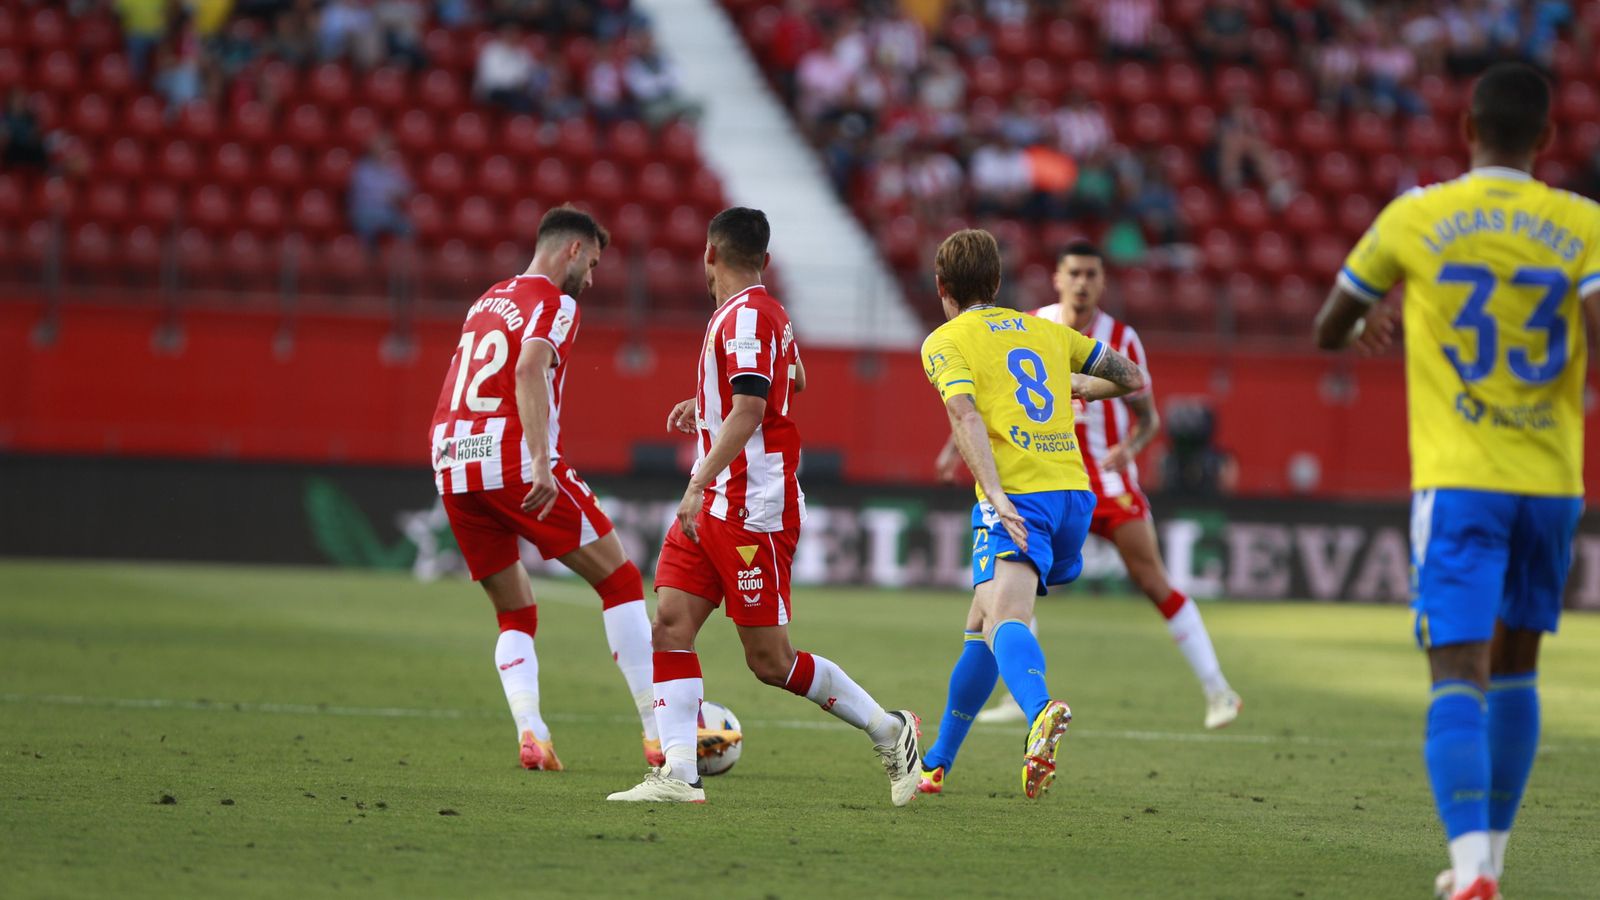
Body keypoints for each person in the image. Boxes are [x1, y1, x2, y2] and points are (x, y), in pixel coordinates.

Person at [1313, 63, 1600, 900]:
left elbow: (1329, 327)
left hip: (1460, 479)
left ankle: (1472, 870)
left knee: (1457, 676)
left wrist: (1370, 326)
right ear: (1547, 140)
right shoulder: (1582, 222)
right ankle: (1491, 861)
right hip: (1551, 481)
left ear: (1466, 130)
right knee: (1517, 670)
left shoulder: (1417, 215)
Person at [607, 208, 921, 805]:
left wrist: (698, 478)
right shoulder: (758, 313)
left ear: (709, 254)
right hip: (717, 503)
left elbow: (753, 408)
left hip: (751, 507)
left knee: (770, 661)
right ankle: (680, 774)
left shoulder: (748, 314)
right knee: (670, 625)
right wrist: (705, 403)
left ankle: (890, 729)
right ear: (765, 260)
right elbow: (791, 379)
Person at [938, 242, 1242, 732]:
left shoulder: (1122, 336)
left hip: (1105, 480)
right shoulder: (1032, 323)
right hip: (1051, 478)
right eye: (1073, 273)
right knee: (1013, 587)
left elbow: (1145, 409)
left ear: (1102, 282)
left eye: (1091, 275)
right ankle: (1023, 696)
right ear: (1057, 278)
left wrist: (1130, 444)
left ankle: (1217, 689)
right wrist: (955, 449)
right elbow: (987, 401)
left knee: (1150, 580)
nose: (1082, 283)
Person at [429, 206, 662, 773]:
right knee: (621, 580)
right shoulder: (557, 302)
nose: (594, 278)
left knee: (515, 613)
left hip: (453, 459)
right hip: (512, 458)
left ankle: (532, 734)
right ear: (574, 251)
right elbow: (530, 367)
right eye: (595, 263)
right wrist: (539, 461)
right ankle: (660, 734)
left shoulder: (487, 298)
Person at [915, 229, 1145, 799]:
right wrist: (1078, 386)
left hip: (1020, 497)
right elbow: (1132, 377)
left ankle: (1041, 711)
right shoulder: (1045, 330)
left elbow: (965, 416)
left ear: (942, 287)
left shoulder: (946, 341)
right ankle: (937, 762)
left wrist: (995, 497)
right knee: (979, 625)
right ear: (996, 283)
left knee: (1004, 619)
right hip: (1074, 493)